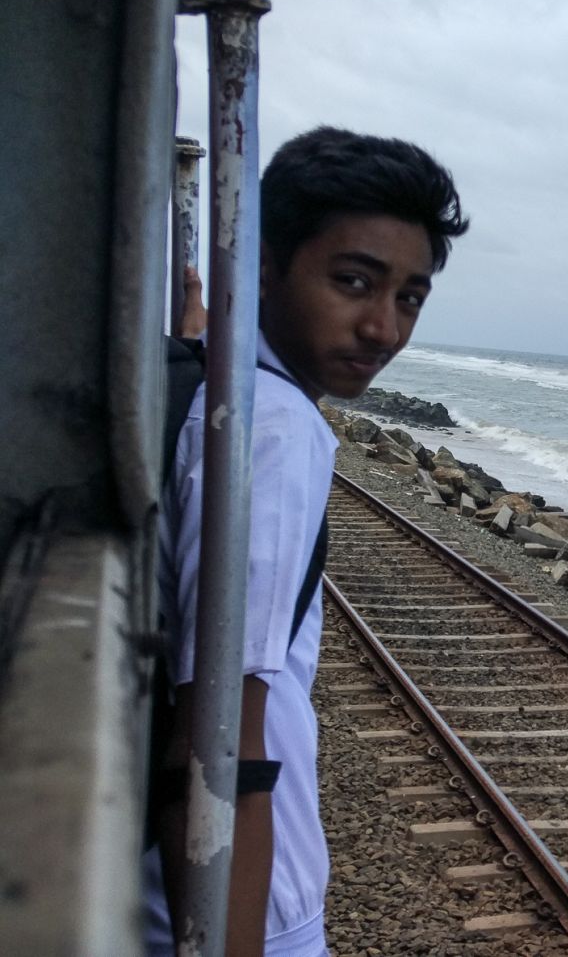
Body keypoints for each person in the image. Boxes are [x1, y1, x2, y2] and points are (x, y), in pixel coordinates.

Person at [145, 127, 468, 956]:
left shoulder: (202, 375)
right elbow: (219, 748)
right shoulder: (273, 425)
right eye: (354, 282)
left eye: (410, 298)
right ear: (261, 262)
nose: (383, 328)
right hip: (245, 905)